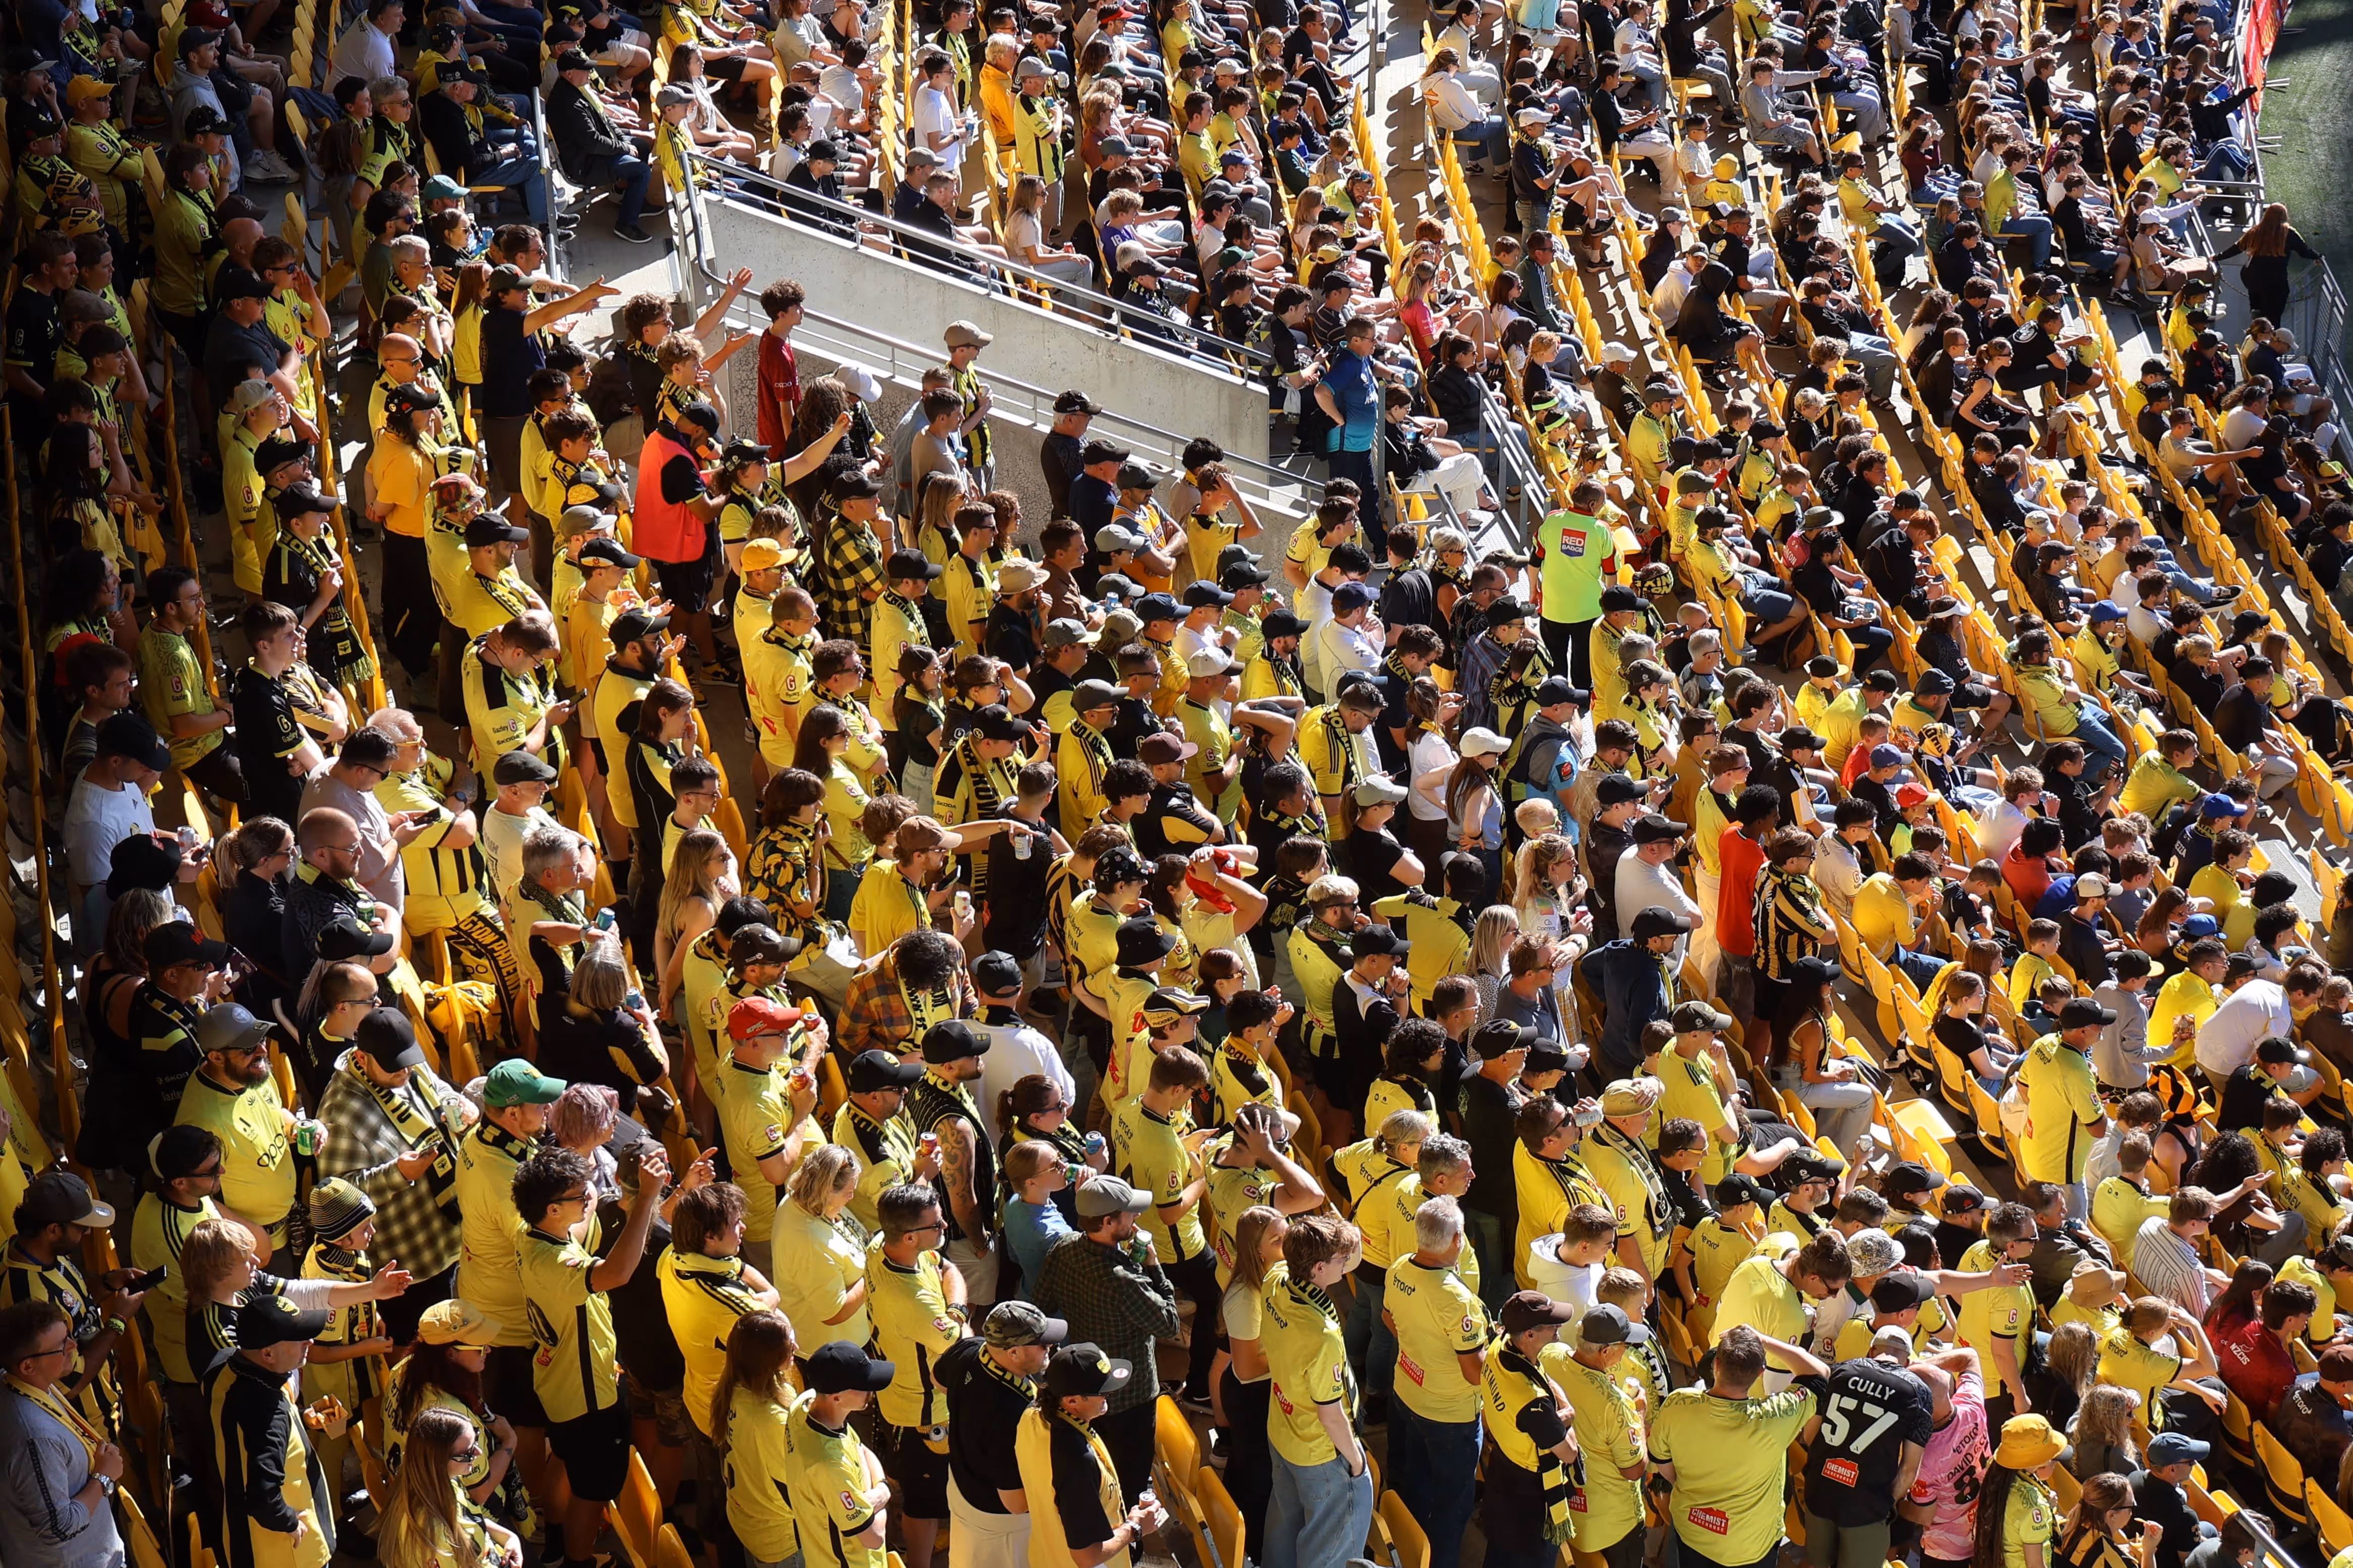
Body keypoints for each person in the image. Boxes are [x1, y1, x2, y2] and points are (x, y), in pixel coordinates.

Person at [509, 1137, 674, 1568]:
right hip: (589, 1399)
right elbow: (617, 1272)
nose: (588, 1199)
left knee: (564, 1460)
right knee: (593, 1490)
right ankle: (578, 1562)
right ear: (552, 1208)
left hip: (559, 1385)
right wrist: (647, 1201)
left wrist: (603, 1193)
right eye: (579, 1196)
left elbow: (584, 1226)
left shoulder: (535, 1236)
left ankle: (558, 1546)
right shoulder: (558, 1262)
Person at [1031, 1175, 1178, 1501]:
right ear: (1108, 1221)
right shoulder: (1123, 1280)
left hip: (1086, 1390)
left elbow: (1041, 1305)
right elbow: (1169, 1324)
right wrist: (1153, 1268)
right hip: (1132, 1398)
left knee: (1099, 1471)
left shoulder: (1063, 1247)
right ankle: (1130, 1540)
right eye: (1130, 1213)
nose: (1136, 1217)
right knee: (1131, 1481)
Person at [1650, 1323, 1828, 1568]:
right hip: (1751, 1547)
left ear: (1716, 1365)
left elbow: (1664, 1466)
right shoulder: (1776, 1416)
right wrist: (1763, 1339)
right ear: (1760, 1373)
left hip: (1693, 1532)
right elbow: (1820, 1374)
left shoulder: (1677, 1404)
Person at [1382, 1195, 1488, 1568]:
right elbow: (1474, 1371)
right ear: (1457, 1239)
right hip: (1449, 1415)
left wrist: (1418, 1346)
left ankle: (1411, 1552)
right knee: (1452, 1503)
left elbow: (1387, 1317)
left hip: (1407, 1394)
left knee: (1417, 1481)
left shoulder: (1397, 1268)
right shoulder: (1458, 1300)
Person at [867, 1182, 968, 1568]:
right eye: (937, 1225)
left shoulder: (883, 1244)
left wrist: (954, 1305)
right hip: (923, 1414)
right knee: (924, 1504)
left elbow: (948, 1268)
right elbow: (964, 1345)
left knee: (915, 1487)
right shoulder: (914, 1301)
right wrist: (958, 1311)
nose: (945, 1227)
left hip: (898, 1395)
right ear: (910, 1236)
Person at [201, 1294, 342, 1568]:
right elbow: (263, 1499)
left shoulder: (222, 1363)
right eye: (299, 1338)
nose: (309, 1343)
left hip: (238, 1533)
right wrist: (290, 1523)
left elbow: (247, 1429)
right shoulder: (270, 1412)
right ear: (267, 1354)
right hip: (286, 1555)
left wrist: (298, 1419)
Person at [937, 1300, 1067, 1568]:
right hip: (999, 1524)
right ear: (1015, 1354)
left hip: (962, 1487)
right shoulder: (1010, 1416)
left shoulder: (972, 1348)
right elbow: (1016, 1502)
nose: (1050, 1348)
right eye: (1043, 1344)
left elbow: (937, 1379)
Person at [1015, 1344, 1169, 1568]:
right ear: (1072, 1402)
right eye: (1102, 1392)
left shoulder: (1032, 1414)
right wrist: (1136, 1527)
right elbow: (1087, 1557)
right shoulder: (1076, 1460)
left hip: (1045, 1556)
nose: (1111, 1394)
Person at [0, 1299, 127, 1568]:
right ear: (27, 1367)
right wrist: (104, 1478)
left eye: (68, 1336)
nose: (73, 1346)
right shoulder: (36, 1439)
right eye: (61, 1346)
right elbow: (57, 1528)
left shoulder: (20, 1383)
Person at [1800, 1327, 1935, 1568]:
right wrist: (1883, 1502)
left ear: (1872, 1350)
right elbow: (1908, 1472)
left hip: (1820, 1490)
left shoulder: (1840, 1370)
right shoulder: (1918, 1391)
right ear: (1907, 1360)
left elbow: (1810, 1435)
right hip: (1867, 1504)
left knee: (1818, 1563)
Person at [787, 1339, 899, 1568]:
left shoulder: (805, 1404)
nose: (871, 1391)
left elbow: (861, 1449)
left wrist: (880, 1489)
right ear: (836, 1397)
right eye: (864, 1386)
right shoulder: (830, 1466)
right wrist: (884, 1497)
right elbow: (874, 1538)